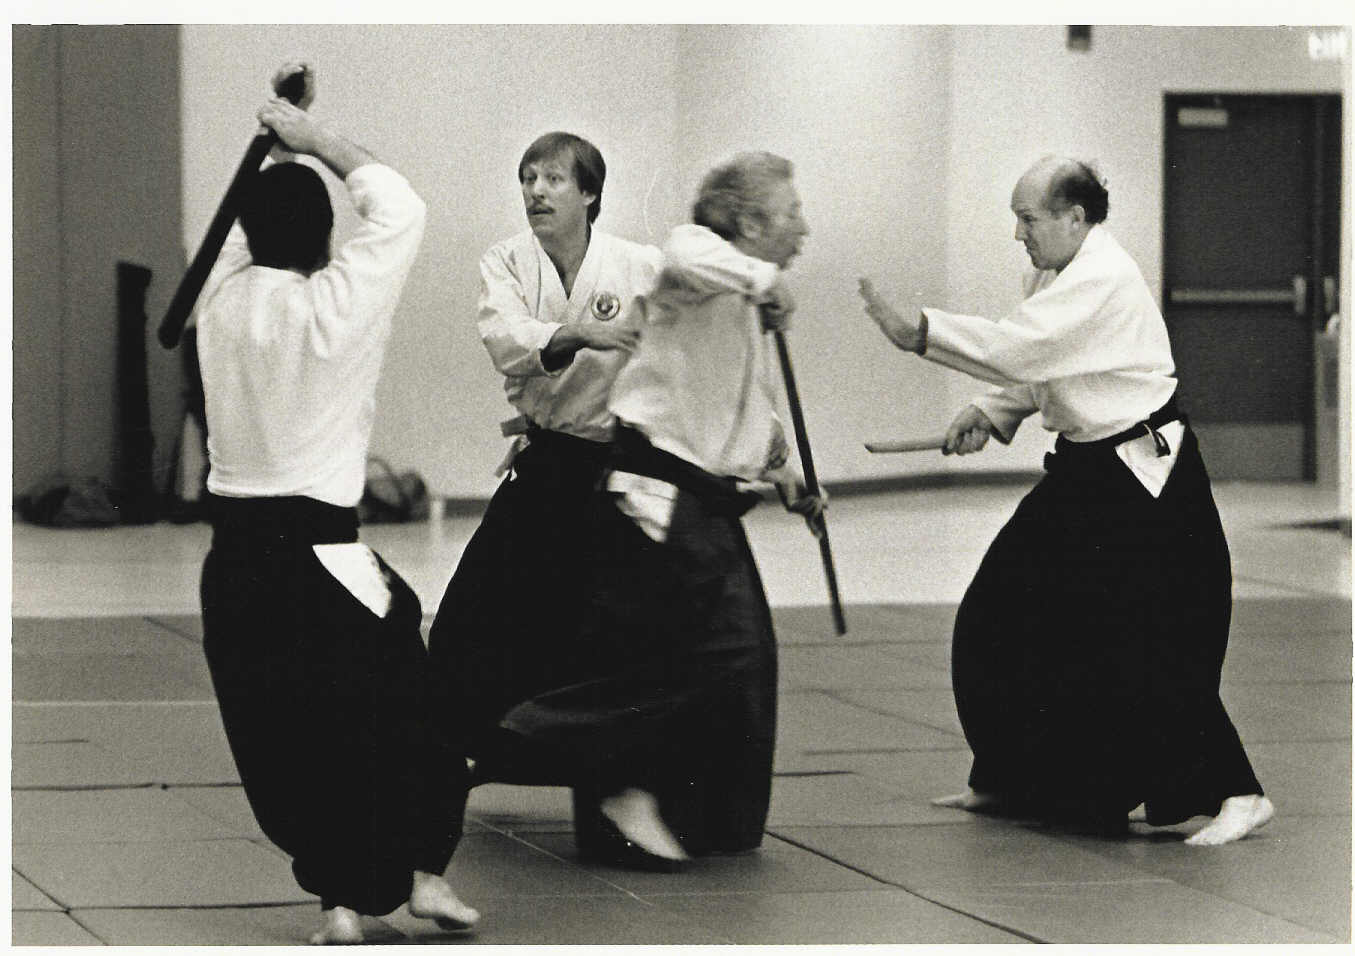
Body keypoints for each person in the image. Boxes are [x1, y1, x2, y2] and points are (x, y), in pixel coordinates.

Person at [857, 155, 1273, 846]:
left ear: (1074, 218)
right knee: (1001, 611)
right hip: (1085, 468)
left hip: (1144, 477)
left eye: (1028, 219)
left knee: (1145, 639)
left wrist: (918, 333)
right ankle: (1015, 777)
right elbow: (1041, 362)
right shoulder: (1052, 273)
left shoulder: (1105, 276)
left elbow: (1022, 347)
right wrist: (990, 411)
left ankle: (1237, 791)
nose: (1017, 233)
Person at [194, 63, 478, 944]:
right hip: (326, 562)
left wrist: (269, 147)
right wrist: (313, 138)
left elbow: (235, 233)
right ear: (325, 241)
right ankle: (422, 874)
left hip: (236, 569)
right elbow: (399, 209)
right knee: (418, 717)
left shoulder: (218, 301)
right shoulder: (337, 306)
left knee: (292, 741)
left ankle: (342, 903)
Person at [488, 151, 823, 862]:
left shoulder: (737, 298)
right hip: (655, 490)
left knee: (740, 655)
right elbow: (687, 252)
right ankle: (532, 743)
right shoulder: (699, 263)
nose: (803, 229)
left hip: (697, 496)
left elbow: (735, 400)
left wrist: (782, 471)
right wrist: (764, 279)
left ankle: (708, 819)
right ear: (752, 221)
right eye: (792, 214)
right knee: (715, 650)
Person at [425, 132, 668, 861]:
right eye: (527, 177)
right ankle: (446, 765)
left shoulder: (640, 267)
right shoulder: (505, 261)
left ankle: (621, 792)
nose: (535, 190)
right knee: (470, 622)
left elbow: (694, 355)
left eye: (553, 178)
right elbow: (507, 339)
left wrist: (768, 440)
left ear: (589, 192)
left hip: (620, 472)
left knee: (613, 641)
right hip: (547, 460)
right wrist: (578, 334)